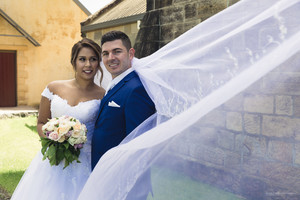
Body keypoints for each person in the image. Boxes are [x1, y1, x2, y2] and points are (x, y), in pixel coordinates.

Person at [11, 38, 105, 200]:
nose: (88, 64)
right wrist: (55, 139)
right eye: (82, 59)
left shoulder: (103, 95)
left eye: (93, 59)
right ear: (73, 62)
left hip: (85, 162)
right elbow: (41, 123)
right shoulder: (53, 88)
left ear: (98, 63)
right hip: (53, 160)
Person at [91, 31, 156, 199]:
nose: (110, 57)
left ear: (131, 53)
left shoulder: (136, 89)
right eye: (105, 53)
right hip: (105, 175)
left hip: (122, 181)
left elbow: (137, 143)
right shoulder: (116, 84)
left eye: (117, 51)